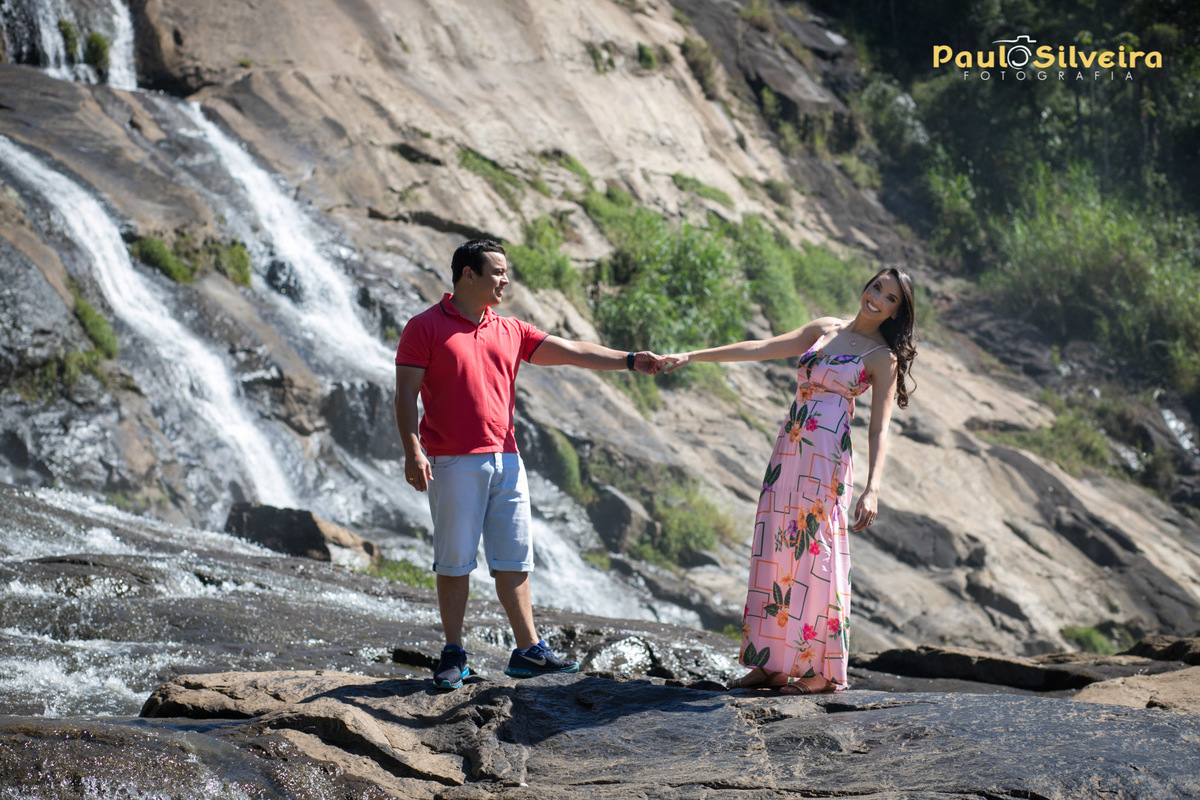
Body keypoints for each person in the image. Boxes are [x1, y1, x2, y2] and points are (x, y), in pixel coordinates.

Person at [394, 238, 663, 690]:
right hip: (454, 460)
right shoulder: (424, 327)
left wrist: (631, 360)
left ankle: (527, 650)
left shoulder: (511, 329)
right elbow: (404, 395)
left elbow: (573, 351)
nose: (505, 279)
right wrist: (412, 449)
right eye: (497, 271)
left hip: (507, 457)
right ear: (468, 275)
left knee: (514, 558)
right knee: (456, 560)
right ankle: (454, 653)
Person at [660, 266, 917, 694]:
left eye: (890, 298)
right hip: (789, 449)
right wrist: (694, 355)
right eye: (876, 287)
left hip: (827, 460)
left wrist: (873, 487)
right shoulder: (825, 329)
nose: (877, 299)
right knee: (774, 548)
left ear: (896, 312)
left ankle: (822, 671)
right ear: (866, 285)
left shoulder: (880, 357)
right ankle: (770, 664)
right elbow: (761, 346)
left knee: (816, 555)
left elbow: (880, 428)